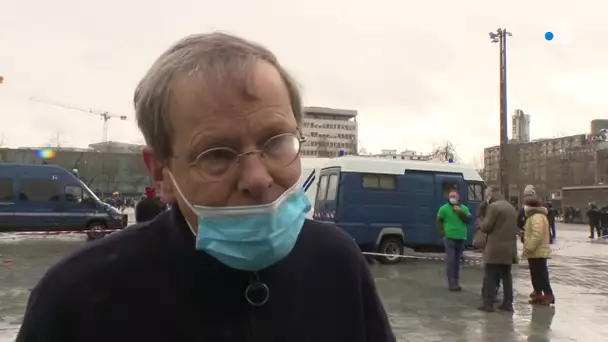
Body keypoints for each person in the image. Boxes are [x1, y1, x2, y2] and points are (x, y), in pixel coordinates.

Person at [17, 33, 395, 342]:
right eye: (217, 155)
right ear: (161, 173)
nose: (258, 178)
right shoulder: (78, 297)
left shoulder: (338, 262)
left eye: (276, 142)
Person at [477, 187, 518, 312]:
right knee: (506, 276)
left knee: (490, 275)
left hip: (495, 248)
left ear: (490, 195)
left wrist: (480, 219)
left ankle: (488, 303)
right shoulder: (511, 207)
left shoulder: (493, 207)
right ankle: (508, 303)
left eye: (486, 195)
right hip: (509, 249)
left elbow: (486, 227)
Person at [436, 191, 472, 291]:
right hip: (449, 238)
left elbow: (468, 220)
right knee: (451, 260)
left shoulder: (464, 208)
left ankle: (456, 281)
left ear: (458, 198)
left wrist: (459, 211)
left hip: (460, 238)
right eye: (451, 196)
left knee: (457, 261)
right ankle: (451, 282)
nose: (452, 198)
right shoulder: (443, 209)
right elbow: (438, 222)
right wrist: (443, 234)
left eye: (454, 196)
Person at [522, 196, 555, 306]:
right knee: (535, 274)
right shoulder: (534, 217)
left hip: (537, 251)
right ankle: (538, 294)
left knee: (541, 275)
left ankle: (548, 295)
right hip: (535, 252)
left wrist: (529, 246)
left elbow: (537, 234)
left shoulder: (536, 217)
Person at [477, 187, 500, 301]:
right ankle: (486, 292)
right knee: (488, 266)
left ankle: (493, 290)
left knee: (495, 268)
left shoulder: (497, 205)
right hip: (487, 238)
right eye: (488, 194)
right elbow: (480, 220)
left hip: (495, 239)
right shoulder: (483, 205)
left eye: (490, 194)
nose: (489, 196)